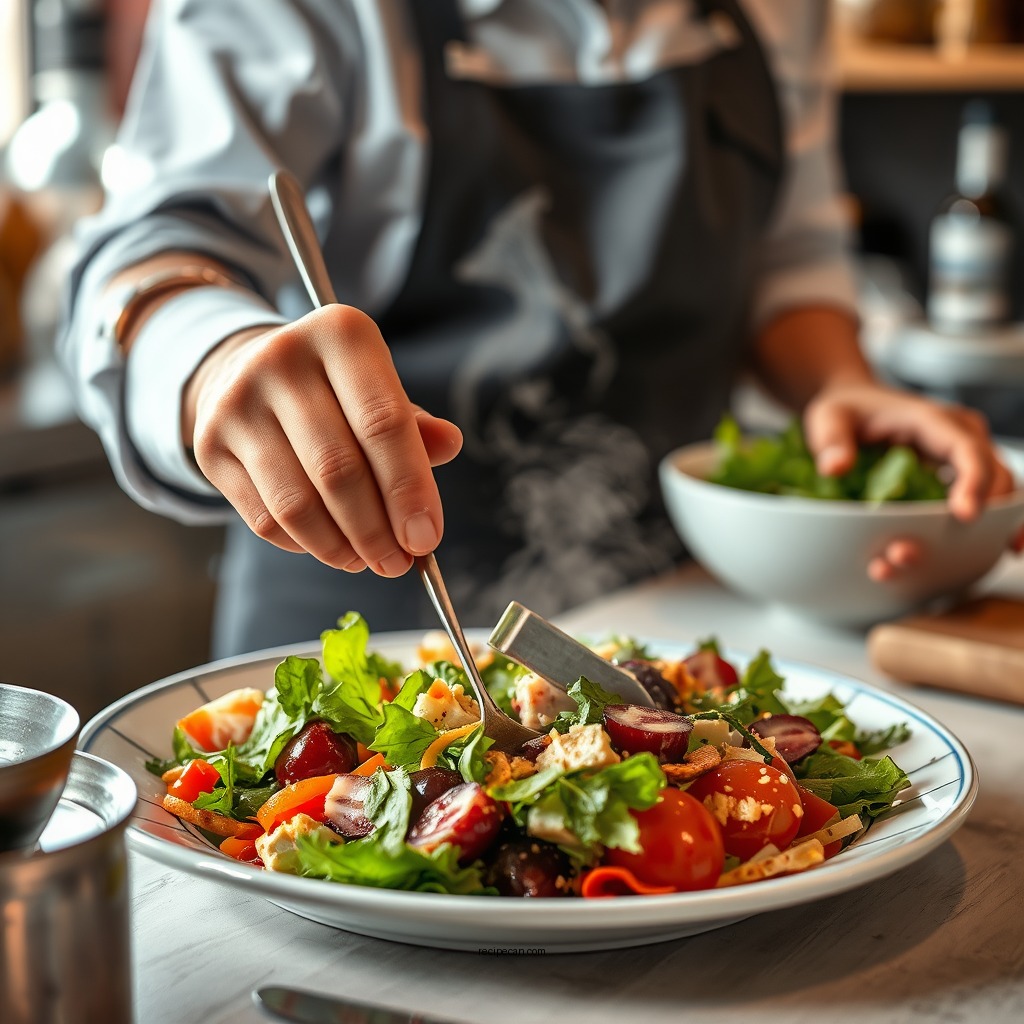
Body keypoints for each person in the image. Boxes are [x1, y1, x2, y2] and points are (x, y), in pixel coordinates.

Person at [60, 0, 1014, 658]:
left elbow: (789, 253)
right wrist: (210, 356)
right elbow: (151, 253)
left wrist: (839, 384)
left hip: (663, 624)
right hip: (369, 635)